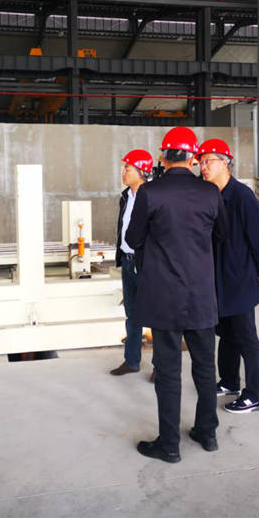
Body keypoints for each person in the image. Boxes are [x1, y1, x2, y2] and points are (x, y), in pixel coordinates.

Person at [125, 126, 228, 463]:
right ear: (193, 157)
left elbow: (133, 238)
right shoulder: (210, 193)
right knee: (205, 368)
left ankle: (169, 445)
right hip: (201, 295)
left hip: (164, 296)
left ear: (163, 156)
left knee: (168, 371)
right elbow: (222, 234)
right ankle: (207, 433)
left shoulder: (150, 193)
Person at [197, 138, 259, 414]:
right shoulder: (207, 194)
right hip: (216, 279)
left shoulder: (242, 196)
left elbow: (258, 241)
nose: (203, 167)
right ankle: (229, 381)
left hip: (238, 280)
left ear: (225, 163)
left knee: (246, 337)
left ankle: (255, 395)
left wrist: (250, 273)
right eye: (201, 162)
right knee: (226, 333)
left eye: (209, 161)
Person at [110, 149, 154, 380]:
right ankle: (132, 361)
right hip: (128, 261)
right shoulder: (126, 196)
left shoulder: (153, 196)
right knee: (132, 314)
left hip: (147, 263)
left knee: (156, 315)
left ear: (141, 171)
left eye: (127, 169)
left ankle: (160, 367)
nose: (123, 173)